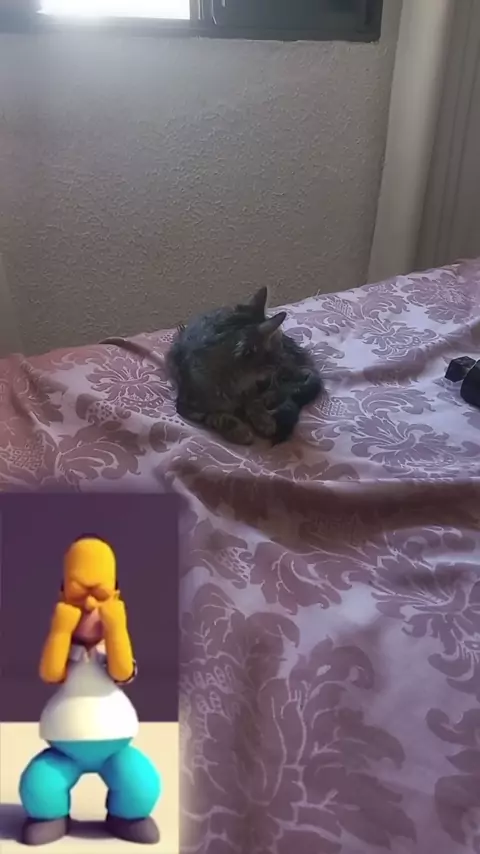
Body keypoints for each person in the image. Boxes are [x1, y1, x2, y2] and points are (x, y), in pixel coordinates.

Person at [19, 537, 161, 846]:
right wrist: (60, 630)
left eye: (100, 595)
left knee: (140, 782)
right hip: (64, 747)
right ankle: (51, 815)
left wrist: (117, 629)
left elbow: (122, 672)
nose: (89, 605)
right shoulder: (63, 645)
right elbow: (50, 673)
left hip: (114, 746)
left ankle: (128, 816)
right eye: (78, 594)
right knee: (40, 784)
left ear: (116, 596)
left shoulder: (111, 646)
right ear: (62, 595)